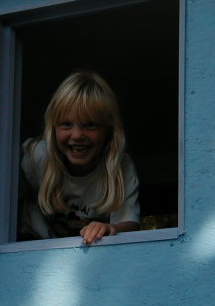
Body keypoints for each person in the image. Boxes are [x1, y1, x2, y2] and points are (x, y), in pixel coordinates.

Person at [19, 71, 140, 244]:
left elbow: (129, 223)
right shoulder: (36, 156)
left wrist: (111, 228)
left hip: (89, 252)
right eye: (66, 124)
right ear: (53, 129)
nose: (77, 135)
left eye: (90, 125)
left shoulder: (120, 167)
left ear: (109, 131)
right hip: (29, 246)